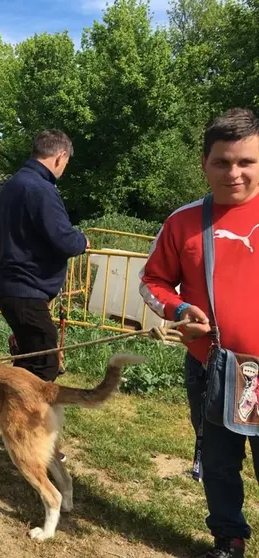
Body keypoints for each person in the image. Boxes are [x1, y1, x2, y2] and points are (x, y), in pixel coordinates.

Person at [140, 108, 259, 558]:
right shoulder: (184, 222)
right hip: (213, 368)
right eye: (222, 162)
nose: (234, 173)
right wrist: (179, 307)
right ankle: (228, 537)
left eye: (246, 161)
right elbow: (151, 281)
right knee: (219, 461)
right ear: (204, 163)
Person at [0, 129, 88, 384]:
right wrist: (83, 240)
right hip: (26, 289)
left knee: (27, 359)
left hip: (12, 286)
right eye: (66, 163)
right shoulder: (41, 189)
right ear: (60, 156)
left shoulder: (13, 184)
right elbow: (64, 239)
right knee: (45, 365)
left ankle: (8, 413)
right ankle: (25, 421)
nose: (63, 169)